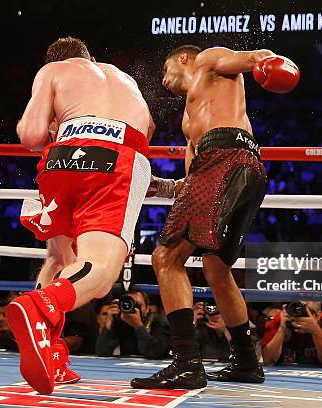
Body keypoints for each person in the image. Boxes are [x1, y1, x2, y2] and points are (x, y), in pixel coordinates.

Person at [132, 45, 299, 389]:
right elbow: (191, 184)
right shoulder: (189, 119)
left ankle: (186, 364)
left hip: (225, 158)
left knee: (166, 257)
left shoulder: (209, 61)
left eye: (165, 70)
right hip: (242, 169)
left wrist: (272, 63)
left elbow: (255, 56)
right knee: (216, 268)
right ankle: (246, 361)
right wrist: (161, 186)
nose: (163, 82)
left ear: (183, 59)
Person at [8, 36, 154, 395]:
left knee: (60, 257)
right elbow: (147, 130)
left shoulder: (52, 71)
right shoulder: (123, 78)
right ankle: (39, 306)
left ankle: (53, 353)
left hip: (61, 159)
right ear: (91, 57)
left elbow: (30, 135)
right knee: (101, 272)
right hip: (117, 158)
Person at [262, 301, 322, 367]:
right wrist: (282, 329)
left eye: (306, 312)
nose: (300, 316)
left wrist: (316, 331)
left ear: (318, 315)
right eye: (296, 309)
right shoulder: (282, 319)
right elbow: (267, 360)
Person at [95, 291, 170, 359]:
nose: (133, 308)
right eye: (129, 304)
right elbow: (102, 352)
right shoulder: (121, 320)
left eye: (138, 305)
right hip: (126, 369)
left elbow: (156, 353)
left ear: (147, 308)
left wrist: (138, 326)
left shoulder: (158, 321)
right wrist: (109, 322)